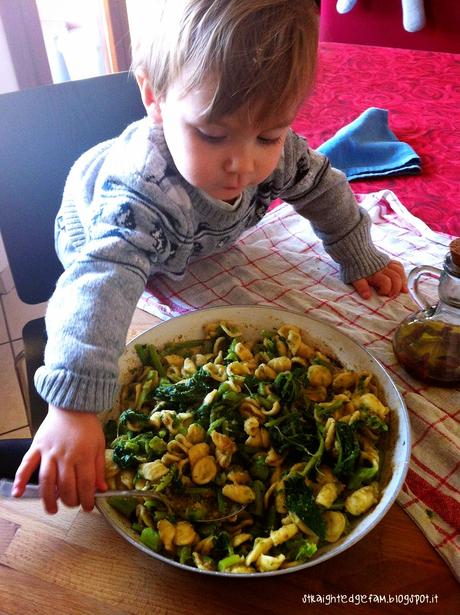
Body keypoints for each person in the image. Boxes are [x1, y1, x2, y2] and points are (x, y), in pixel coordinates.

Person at [12, 0, 407, 514]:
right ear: (154, 96)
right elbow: (100, 276)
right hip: (97, 232)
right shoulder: (139, 196)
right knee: (123, 271)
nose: (242, 164)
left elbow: (320, 185)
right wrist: (73, 406)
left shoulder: (271, 155)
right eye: (213, 134)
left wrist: (359, 252)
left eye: (268, 135)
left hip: (190, 237)